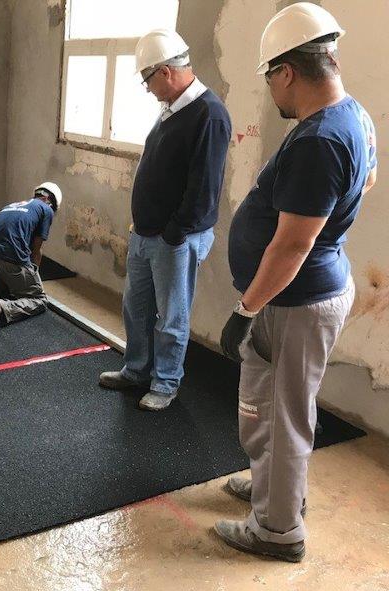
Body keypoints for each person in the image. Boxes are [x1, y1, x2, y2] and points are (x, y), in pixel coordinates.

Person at [215, 3, 378, 562]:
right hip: (309, 293)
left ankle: (277, 529)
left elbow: (292, 245)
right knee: (272, 405)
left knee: (281, 416)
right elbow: (367, 181)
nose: (271, 91)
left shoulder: (319, 141)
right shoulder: (354, 116)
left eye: (269, 77)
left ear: (286, 71)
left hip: (297, 301)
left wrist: (245, 309)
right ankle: (274, 491)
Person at [99, 29, 232, 411]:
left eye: (147, 80)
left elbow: (204, 188)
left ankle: (165, 383)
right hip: (146, 234)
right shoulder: (171, 108)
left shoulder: (209, 114)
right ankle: (136, 370)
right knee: (136, 308)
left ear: (165, 72)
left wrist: (175, 232)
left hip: (174, 238)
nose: (147, 89)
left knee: (171, 316)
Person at [0, 182, 62, 332]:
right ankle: (1, 307)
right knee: (39, 300)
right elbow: (36, 250)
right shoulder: (46, 209)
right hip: (10, 262)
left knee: (9, 289)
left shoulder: (11, 206)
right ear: (51, 201)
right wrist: (33, 277)